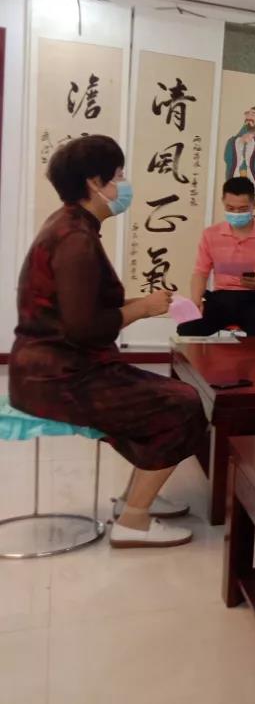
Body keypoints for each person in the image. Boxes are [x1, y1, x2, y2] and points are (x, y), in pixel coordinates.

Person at [9, 135, 207, 548]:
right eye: (118, 175)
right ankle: (134, 520)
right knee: (183, 404)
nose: (124, 184)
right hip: (60, 377)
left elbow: (81, 309)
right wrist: (141, 308)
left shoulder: (70, 225)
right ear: (95, 182)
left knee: (164, 397)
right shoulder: (76, 239)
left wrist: (143, 305)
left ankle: (135, 499)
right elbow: (83, 328)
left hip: (58, 368)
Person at [178, 177, 255, 337]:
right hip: (222, 297)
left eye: (243, 209)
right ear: (223, 202)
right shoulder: (210, 235)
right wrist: (195, 301)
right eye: (230, 208)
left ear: (254, 204)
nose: (236, 213)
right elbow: (200, 273)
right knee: (187, 328)